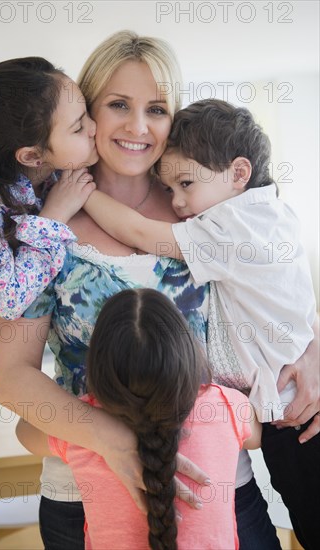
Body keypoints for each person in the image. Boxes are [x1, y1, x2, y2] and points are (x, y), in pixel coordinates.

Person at [0, 31, 318, 550]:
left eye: (158, 109)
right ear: (89, 112)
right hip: (83, 497)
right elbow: (10, 377)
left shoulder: (205, 208)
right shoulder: (40, 223)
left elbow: (280, 283)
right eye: (118, 104)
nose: (138, 127)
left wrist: (315, 350)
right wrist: (110, 439)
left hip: (220, 489)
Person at [82, 98, 320, 548]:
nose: (178, 202)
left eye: (186, 183)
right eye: (169, 189)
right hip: (289, 409)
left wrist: (83, 191)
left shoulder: (231, 226)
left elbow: (137, 231)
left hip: (296, 419)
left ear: (238, 173)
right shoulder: (272, 213)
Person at [0, 56, 97, 549]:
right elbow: (7, 295)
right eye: (80, 125)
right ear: (33, 154)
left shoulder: (45, 177)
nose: (94, 128)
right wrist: (54, 218)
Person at [17, 288, 262, 550]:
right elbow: (256, 436)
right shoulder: (225, 407)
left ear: (98, 368)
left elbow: (25, 432)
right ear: (187, 354)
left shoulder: (84, 428)